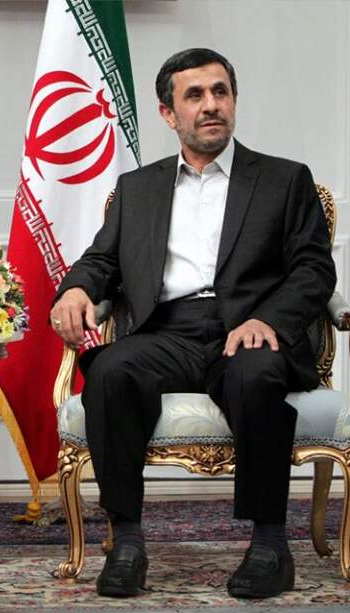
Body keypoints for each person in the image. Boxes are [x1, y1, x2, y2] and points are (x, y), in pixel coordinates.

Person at [50, 48, 335, 599]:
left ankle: (270, 546)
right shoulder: (140, 188)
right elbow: (102, 260)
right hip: (168, 331)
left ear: (233, 100)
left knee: (256, 374)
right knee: (110, 369)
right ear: (168, 113)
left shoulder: (284, 179)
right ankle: (127, 542)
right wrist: (78, 287)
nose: (211, 106)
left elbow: (313, 268)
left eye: (220, 92)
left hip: (250, 330)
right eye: (195, 96)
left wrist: (268, 320)